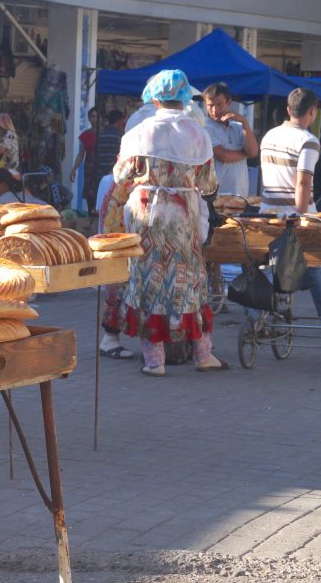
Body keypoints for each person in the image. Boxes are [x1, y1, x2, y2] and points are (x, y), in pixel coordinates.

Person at [113, 69, 225, 377]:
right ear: (185, 96)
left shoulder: (139, 131)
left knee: (148, 283)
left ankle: (154, 361)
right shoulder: (199, 133)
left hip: (146, 216)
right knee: (189, 281)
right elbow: (209, 183)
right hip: (183, 218)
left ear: (155, 97)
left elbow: (120, 176)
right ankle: (203, 354)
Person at [259, 87, 321, 320]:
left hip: (267, 213)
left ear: (288, 109)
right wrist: (301, 216)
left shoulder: (269, 135)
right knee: (316, 265)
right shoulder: (308, 140)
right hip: (295, 215)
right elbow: (304, 183)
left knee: (271, 265)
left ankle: (272, 309)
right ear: (313, 112)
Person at [203, 82, 257, 197]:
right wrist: (246, 154)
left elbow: (254, 152)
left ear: (229, 103)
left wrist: (244, 122)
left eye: (219, 104)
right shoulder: (204, 127)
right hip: (215, 196)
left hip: (240, 195)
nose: (214, 110)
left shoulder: (238, 126)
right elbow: (224, 156)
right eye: (210, 105)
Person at [69, 107, 100, 214]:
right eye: (92, 116)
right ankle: (91, 217)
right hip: (89, 169)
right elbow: (81, 154)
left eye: (96, 116)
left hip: (102, 169)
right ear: (89, 118)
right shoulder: (85, 135)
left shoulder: (105, 133)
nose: (95, 119)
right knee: (90, 196)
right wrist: (73, 169)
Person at [95, 109, 125, 181]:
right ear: (119, 121)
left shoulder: (100, 134)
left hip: (99, 173)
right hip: (113, 174)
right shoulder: (119, 136)